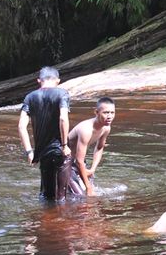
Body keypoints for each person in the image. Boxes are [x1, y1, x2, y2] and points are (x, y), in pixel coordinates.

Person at [18, 66, 71, 201]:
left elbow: (21, 126)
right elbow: (63, 118)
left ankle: (45, 220)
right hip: (60, 150)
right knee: (62, 198)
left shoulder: (29, 97)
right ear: (58, 81)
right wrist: (64, 145)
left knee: (47, 197)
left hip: (42, 153)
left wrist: (29, 152)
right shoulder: (62, 94)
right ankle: (60, 221)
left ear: (38, 81)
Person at [67, 97, 116, 197]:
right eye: (106, 113)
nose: (109, 116)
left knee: (89, 191)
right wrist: (88, 188)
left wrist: (92, 169)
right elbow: (79, 160)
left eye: (112, 113)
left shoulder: (106, 128)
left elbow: (99, 147)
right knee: (81, 196)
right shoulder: (86, 129)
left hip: (78, 162)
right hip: (63, 161)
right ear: (96, 112)